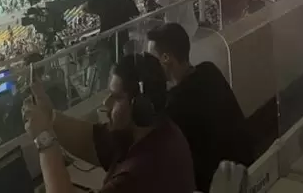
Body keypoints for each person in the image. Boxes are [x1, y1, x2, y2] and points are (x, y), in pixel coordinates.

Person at [26, 54, 194, 193]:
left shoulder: (139, 173)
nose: (106, 102)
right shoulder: (154, 131)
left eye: (117, 97)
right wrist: (49, 115)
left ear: (140, 106)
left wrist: (44, 140)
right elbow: (89, 141)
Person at [147, 22, 252, 190]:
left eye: (152, 59)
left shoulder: (174, 103)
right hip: (242, 172)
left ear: (166, 58)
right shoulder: (209, 70)